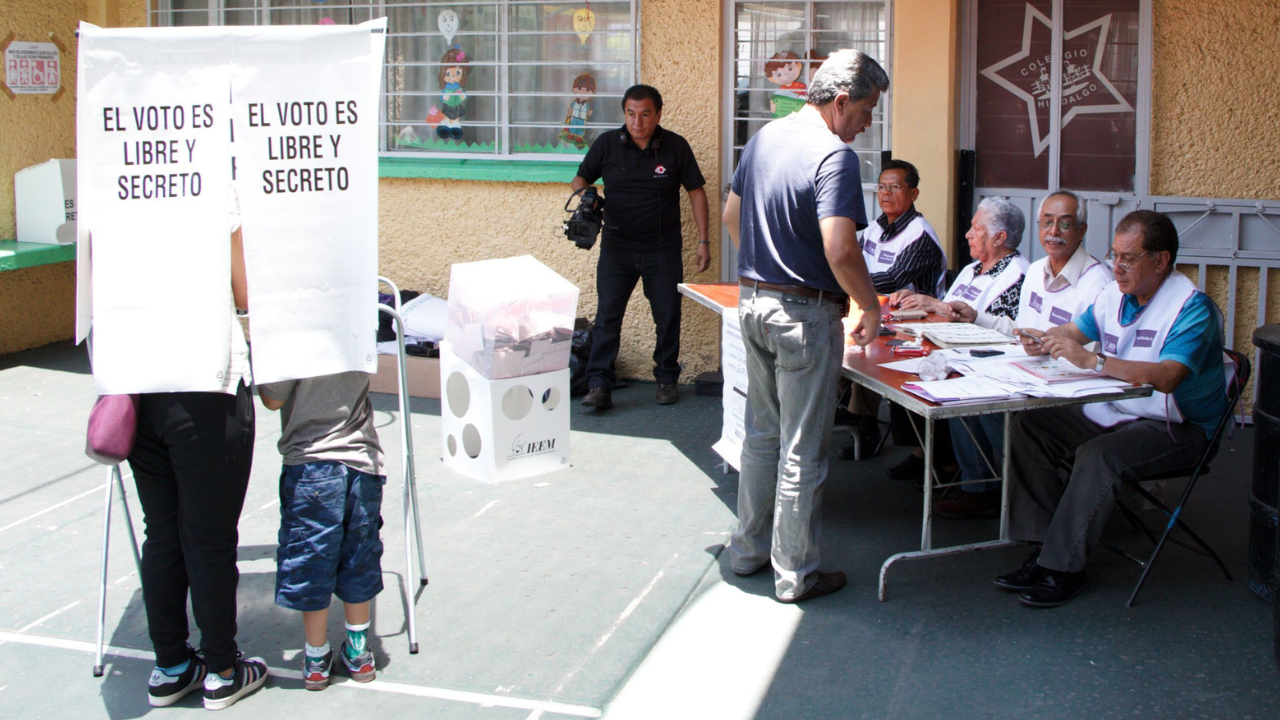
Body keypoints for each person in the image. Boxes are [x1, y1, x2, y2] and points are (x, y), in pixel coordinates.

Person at [722, 48, 888, 603]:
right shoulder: (833, 157)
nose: (867, 125)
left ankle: (746, 551)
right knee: (802, 449)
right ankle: (795, 573)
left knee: (762, 437)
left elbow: (730, 217)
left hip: (754, 304)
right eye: (866, 111)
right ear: (840, 103)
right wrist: (870, 304)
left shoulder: (766, 138)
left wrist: (768, 272)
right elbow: (841, 248)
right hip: (805, 316)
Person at [995, 210, 1227, 608]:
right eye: (1113, 255)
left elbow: (1169, 377)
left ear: (1161, 260)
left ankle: (1064, 569)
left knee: (1099, 455)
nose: (1116, 267)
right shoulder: (1115, 294)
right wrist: (1042, 338)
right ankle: (1044, 545)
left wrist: (1094, 362)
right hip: (1119, 411)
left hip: (1180, 428)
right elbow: (1075, 331)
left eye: (1128, 258)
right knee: (1030, 423)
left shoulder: (1192, 307)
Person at [130, 208, 267, 710]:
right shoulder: (215, 193)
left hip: (140, 383)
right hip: (207, 381)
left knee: (162, 530)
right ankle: (223, 670)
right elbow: (247, 293)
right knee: (207, 535)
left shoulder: (120, 180)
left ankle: (170, 666)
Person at [938, 190, 1113, 519]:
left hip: (1069, 386)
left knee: (991, 405)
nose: (1054, 232)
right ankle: (984, 486)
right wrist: (978, 316)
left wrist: (1048, 346)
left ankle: (1014, 489)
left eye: (1065, 224)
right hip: (1028, 370)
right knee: (958, 379)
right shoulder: (1036, 271)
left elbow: (1095, 353)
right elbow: (1021, 329)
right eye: (1047, 223)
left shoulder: (1097, 282)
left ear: (1082, 230)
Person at [574, 84, 710, 409]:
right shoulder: (607, 144)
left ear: (658, 114)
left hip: (662, 250)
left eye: (645, 114)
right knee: (607, 317)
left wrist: (704, 241)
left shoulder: (675, 146)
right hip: (616, 249)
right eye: (631, 114)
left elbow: (696, 192)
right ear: (624, 114)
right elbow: (580, 179)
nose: (638, 122)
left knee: (667, 316)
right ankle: (598, 385)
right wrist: (587, 197)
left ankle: (666, 378)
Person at [882, 196, 1030, 481]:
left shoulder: (1017, 276)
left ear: (1000, 238)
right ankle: (929, 452)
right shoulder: (973, 268)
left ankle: (957, 467)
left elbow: (997, 333)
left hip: (985, 363)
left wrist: (936, 306)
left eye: (977, 229)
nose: (968, 234)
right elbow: (946, 307)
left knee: (928, 378)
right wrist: (919, 300)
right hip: (950, 349)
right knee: (896, 368)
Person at [258, 371, 385, 690]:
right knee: (359, 556)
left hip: (310, 462)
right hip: (360, 458)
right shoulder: (360, 322)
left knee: (311, 561)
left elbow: (273, 398)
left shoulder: (292, 327)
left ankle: (316, 656)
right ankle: (358, 649)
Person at [837, 158, 947, 460]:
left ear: (913, 193)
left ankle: (865, 425)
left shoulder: (919, 235)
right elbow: (852, 262)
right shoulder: (874, 228)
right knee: (838, 344)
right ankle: (846, 415)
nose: (886, 193)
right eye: (881, 187)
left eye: (895, 188)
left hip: (918, 326)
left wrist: (844, 278)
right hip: (875, 314)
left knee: (865, 352)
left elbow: (891, 280)